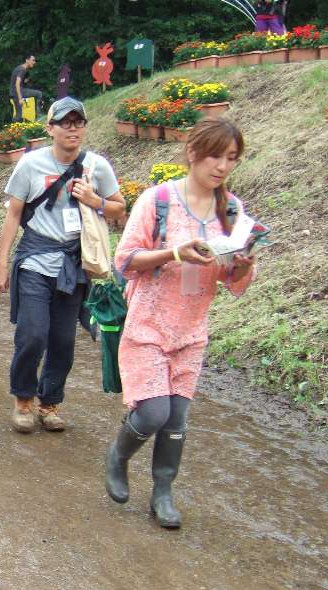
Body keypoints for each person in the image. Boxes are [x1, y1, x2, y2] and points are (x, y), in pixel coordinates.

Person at [105, 118, 256, 529]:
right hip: (149, 325)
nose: (222, 166)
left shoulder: (232, 210)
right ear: (192, 153)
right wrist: (175, 253)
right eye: (215, 156)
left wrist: (243, 264)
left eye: (231, 158)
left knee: (177, 418)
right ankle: (118, 456)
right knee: (153, 412)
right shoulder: (158, 201)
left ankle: (163, 492)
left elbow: (235, 282)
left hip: (192, 330)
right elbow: (125, 260)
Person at [0, 97, 124, 433]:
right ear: (50, 128)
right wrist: (0, 264)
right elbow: (13, 215)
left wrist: (96, 201)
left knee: (63, 340)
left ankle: (50, 402)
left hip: (74, 266)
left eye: (79, 122)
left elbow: (119, 208)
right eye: (66, 122)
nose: (73, 128)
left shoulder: (98, 167)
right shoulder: (30, 165)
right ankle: (23, 398)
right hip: (35, 260)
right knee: (33, 334)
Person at [10, 54, 42, 118]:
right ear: (27, 60)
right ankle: (38, 116)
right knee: (38, 93)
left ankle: (13, 127)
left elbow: (19, 82)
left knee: (19, 115)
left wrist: (26, 80)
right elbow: (17, 84)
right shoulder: (22, 69)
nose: (34, 62)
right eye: (33, 60)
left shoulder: (20, 68)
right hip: (18, 92)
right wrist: (20, 98)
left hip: (14, 92)